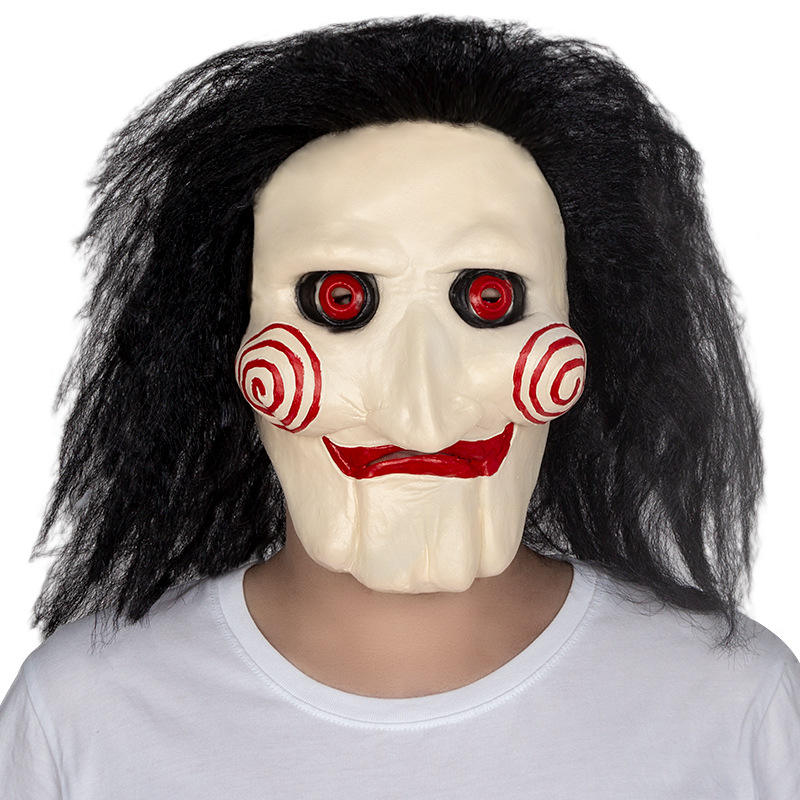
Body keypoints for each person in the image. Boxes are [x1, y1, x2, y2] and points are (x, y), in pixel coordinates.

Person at [1, 15, 798, 799]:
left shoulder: (734, 710)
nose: (421, 416)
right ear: (223, 339)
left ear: (587, 334)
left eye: (488, 298)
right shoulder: (83, 718)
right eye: (341, 300)